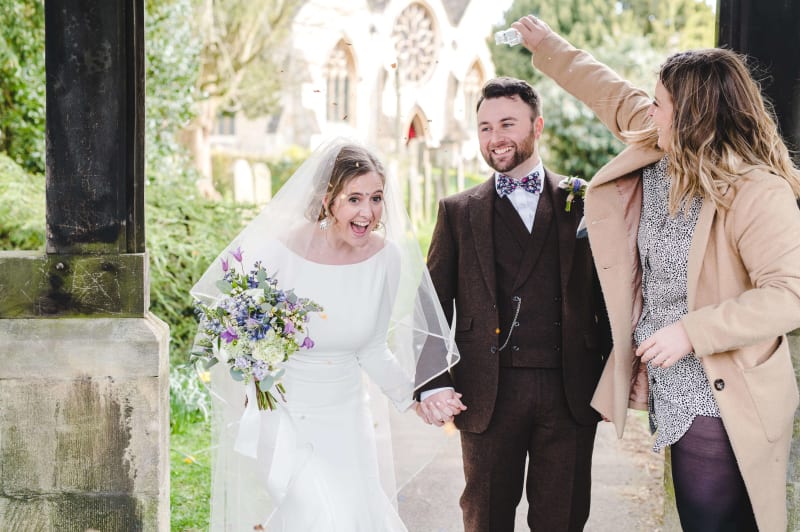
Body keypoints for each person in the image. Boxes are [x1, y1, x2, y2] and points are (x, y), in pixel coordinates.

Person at [511, 14, 800, 532]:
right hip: (673, 381)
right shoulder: (659, 149)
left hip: (725, 389)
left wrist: (691, 332)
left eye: (660, 103)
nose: (650, 109)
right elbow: (609, 92)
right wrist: (546, 44)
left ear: (692, 116)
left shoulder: (758, 190)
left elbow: (788, 295)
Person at [190, 138, 460, 531]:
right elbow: (232, 326)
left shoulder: (387, 259)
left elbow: (372, 349)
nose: (368, 212)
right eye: (354, 199)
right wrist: (249, 361)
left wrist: (414, 399)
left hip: (347, 420)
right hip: (282, 416)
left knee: (353, 519)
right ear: (326, 199)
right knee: (315, 515)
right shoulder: (277, 251)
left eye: (376, 198)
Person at [416, 75, 611, 531]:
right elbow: (431, 303)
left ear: (537, 125)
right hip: (487, 392)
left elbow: (610, 292)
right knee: (485, 518)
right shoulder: (458, 211)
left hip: (571, 390)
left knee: (562, 519)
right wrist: (432, 382)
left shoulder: (583, 201)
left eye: (507, 124)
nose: (495, 138)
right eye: (484, 127)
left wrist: (614, 376)